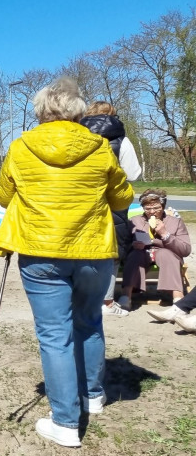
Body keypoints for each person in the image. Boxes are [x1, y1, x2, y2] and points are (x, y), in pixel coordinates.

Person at [0, 77, 133, 448]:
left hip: (40, 253)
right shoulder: (101, 147)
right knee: (89, 322)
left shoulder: (20, 147)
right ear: (77, 112)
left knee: (55, 336)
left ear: (40, 111)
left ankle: (66, 423)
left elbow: (4, 195)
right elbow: (122, 198)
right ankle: (93, 395)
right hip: (92, 251)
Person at [78, 100, 143, 317]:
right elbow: (133, 174)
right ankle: (106, 302)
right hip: (113, 203)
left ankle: (83, 299)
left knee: (82, 251)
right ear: (113, 116)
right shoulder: (121, 141)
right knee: (112, 252)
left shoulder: (77, 138)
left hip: (82, 202)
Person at [120, 188, 191, 312]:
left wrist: (165, 235)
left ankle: (178, 299)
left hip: (166, 252)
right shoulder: (135, 221)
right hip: (140, 253)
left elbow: (185, 249)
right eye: (147, 208)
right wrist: (133, 245)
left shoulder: (175, 222)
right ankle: (126, 296)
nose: (152, 212)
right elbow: (123, 244)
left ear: (163, 206)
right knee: (135, 256)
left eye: (156, 208)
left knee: (167, 255)